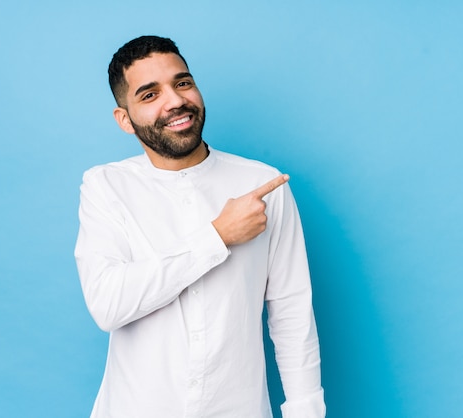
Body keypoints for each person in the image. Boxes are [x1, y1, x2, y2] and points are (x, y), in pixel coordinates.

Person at [74, 35, 325, 418]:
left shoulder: (263, 184)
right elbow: (108, 305)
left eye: (183, 83)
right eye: (149, 95)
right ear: (124, 119)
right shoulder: (106, 187)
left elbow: (292, 313)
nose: (175, 101)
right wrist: (218, 236)